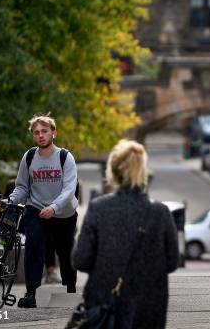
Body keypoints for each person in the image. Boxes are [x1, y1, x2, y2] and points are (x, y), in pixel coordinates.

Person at [72, 139, 179, 329]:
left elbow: (81, 259)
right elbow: (172, 262)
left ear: (113, 172)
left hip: (105, 299)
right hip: (149, 303)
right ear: (144, 172)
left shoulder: (99, 208)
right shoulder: (161, 212)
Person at [8, 114, 79, 308]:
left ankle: (71, 287)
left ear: (53, 133)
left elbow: (69, 188)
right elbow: (22, 186)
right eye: (36, 132)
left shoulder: (65, 157)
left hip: (63, 213)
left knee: (65, 252)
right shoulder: (29, 157)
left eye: (44, 131)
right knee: (34, 248)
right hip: (37, 209)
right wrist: (10, 200)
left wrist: (54, 207)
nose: (40, 135)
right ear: (33, 136)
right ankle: (31, 293)